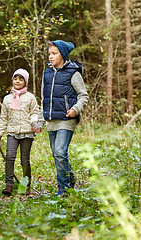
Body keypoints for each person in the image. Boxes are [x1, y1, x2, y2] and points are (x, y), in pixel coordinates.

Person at [40, 40, 89, 196]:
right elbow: (43, 98)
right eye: (49, 53)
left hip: (67, 119)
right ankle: (70, 176)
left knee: (61, 152)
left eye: (54, 53)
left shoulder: (73, 73)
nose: (51, 56)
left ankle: (64, 188)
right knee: (56, 154)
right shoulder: (46, 74)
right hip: (51, 120)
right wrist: (39, 119)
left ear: (63, 54)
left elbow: (83, 95)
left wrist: (75, 109)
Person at [0, 68, 42, 196]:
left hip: (27, 133)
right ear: (12, 80)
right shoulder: (7, 99)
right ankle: (9, 185)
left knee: (24, 160)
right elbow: (3, 118)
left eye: (20, 79)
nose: (17, 81)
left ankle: (26, 185)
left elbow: (34, 113)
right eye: (15, 79)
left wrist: (35, 123)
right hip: (12, 132)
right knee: (10, 157)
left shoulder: (30, 97)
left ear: (25, 82)